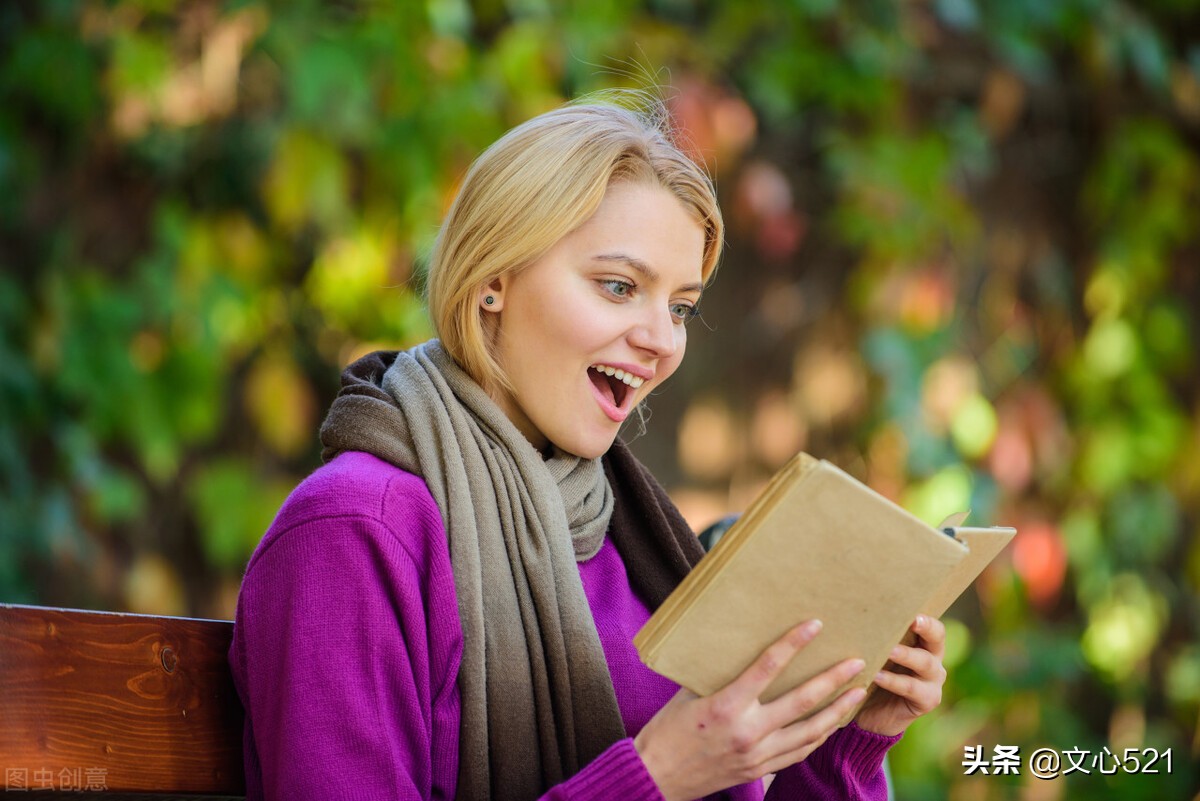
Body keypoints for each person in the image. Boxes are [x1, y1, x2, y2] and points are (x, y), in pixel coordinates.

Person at [228, 95, 948, 801]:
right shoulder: (355, 532)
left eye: (680, 307)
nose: (663, 340)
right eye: (617, 286)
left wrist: (852, 732)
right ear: (492, 281)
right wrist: (655, 776)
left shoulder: (625, 533)